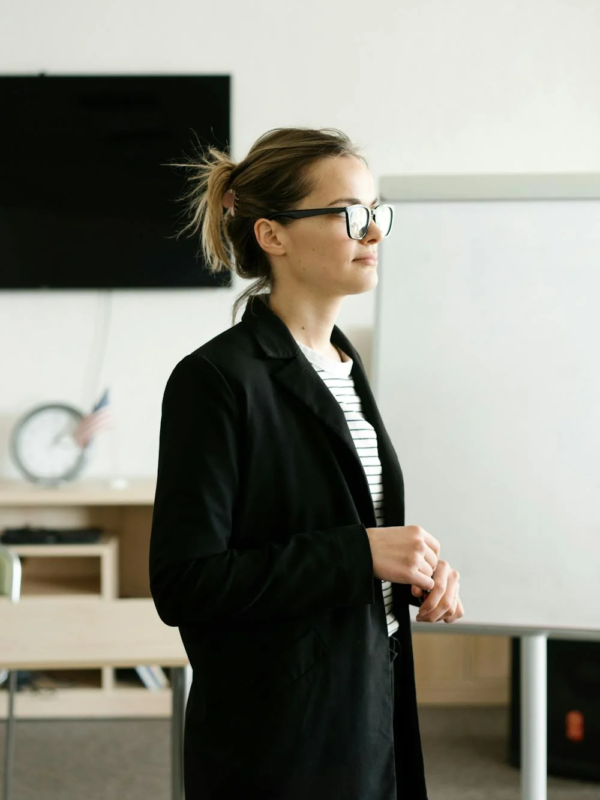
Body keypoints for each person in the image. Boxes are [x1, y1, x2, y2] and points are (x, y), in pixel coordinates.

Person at [149, 126, 464, 800]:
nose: (374, 233)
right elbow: (185, 583)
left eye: (377, 213)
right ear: (273, 235)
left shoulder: (346, 368)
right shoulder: (217, 379)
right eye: (351, 215)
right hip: (282, 734)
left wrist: (418, 573)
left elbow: (341, 532)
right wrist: (361, 555)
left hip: (369, 699)